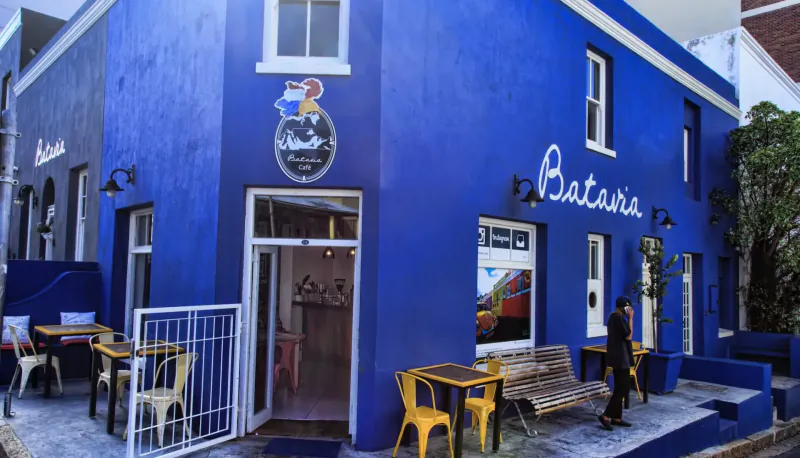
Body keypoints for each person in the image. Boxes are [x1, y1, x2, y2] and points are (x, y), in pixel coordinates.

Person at [598, 296, 635, 431]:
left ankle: (616, 417)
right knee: (623, 388)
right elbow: (628, 336)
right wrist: (631, 319)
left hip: (619, 357)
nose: (629, 310)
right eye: (628, 308)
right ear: (623, 308)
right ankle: (606, 415)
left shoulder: (614, 318)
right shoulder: (618, 318)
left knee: (621, 387)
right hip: (621, 359)